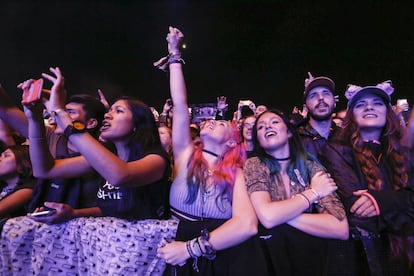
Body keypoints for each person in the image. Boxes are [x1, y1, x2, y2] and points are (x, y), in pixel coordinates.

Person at [1, 67, 174, 275]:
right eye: (109, 111)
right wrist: (35, 118)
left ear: (138, 125)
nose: (108, 115)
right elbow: (45, 170)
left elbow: (120, 176)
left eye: (118, 111)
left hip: (138, 246)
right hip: (103, 239)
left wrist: (61, 112)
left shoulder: (155, 159)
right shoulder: (106, 155)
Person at [156, 26, 258, 275]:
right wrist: (174, 56)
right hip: (173, 241)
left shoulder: (238, 172)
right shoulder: (185, 155)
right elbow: (180, 104)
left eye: (221, 122)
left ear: (233, 141)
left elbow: (246, 224)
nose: (211, 120)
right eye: (210, 119)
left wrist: (191, 249)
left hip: (219, 246)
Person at [320, 81, 414, 275]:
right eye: (360, 104)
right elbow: (357, 210)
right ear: (351, 115)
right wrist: (402, 201)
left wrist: (382, 200)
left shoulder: (405, 153)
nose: (369, 107)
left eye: (377, 103)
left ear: (388, 113)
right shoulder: (336, 150)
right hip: (366, 257)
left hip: (406, 256)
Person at [243, 108, 348, 275]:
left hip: (310, 259)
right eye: (261, 127)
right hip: (270, 260)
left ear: (289, 132)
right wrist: (313, 193)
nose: (268, 127)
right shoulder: (254, 165)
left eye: (275, 122)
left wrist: (281, 213)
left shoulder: (310, 166)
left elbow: (340, 227)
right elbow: (269, 218)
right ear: (259, 140)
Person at [296, 72, 341, 157]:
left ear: (335, 102)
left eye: (326, 93)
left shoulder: (348, 137)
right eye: (313, 95)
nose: (321, 98)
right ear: (306, 107)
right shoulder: (295, 140)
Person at [0, 145, 35, 227]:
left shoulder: (29, 188)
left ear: (24, 162)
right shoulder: (3, 186)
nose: (0, 159)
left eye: (6, 155)